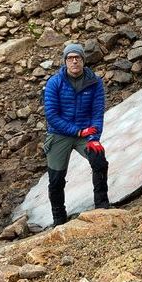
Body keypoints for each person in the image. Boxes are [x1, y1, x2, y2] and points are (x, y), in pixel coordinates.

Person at [43, 43, 109, 226]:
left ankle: (102, 207)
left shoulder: (94, 82)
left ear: (83, 61)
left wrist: (93, 139)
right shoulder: (54, 83)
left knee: (99, 161)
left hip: (85, 133)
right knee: (56, 178)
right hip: (59, 134)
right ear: (65, 61)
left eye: (77, 58)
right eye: (70, 58)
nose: (74, 61)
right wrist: (77, 131)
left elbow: (97, 113)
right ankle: (59, 219)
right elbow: (52, 116)